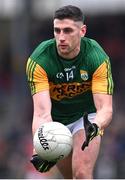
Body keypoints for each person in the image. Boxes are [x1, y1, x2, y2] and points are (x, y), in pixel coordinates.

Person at [26, 5, 114, 179]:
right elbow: (42, 113)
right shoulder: (39, 60)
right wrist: (40, 147)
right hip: (56, 124)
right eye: (57, 31)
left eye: (67, 31)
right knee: (69, 177)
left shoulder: (97, 57)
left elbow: (105, 108)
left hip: (86, 119)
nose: (61, 38)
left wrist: (96, 126)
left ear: (82, 31)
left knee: (81, 173)